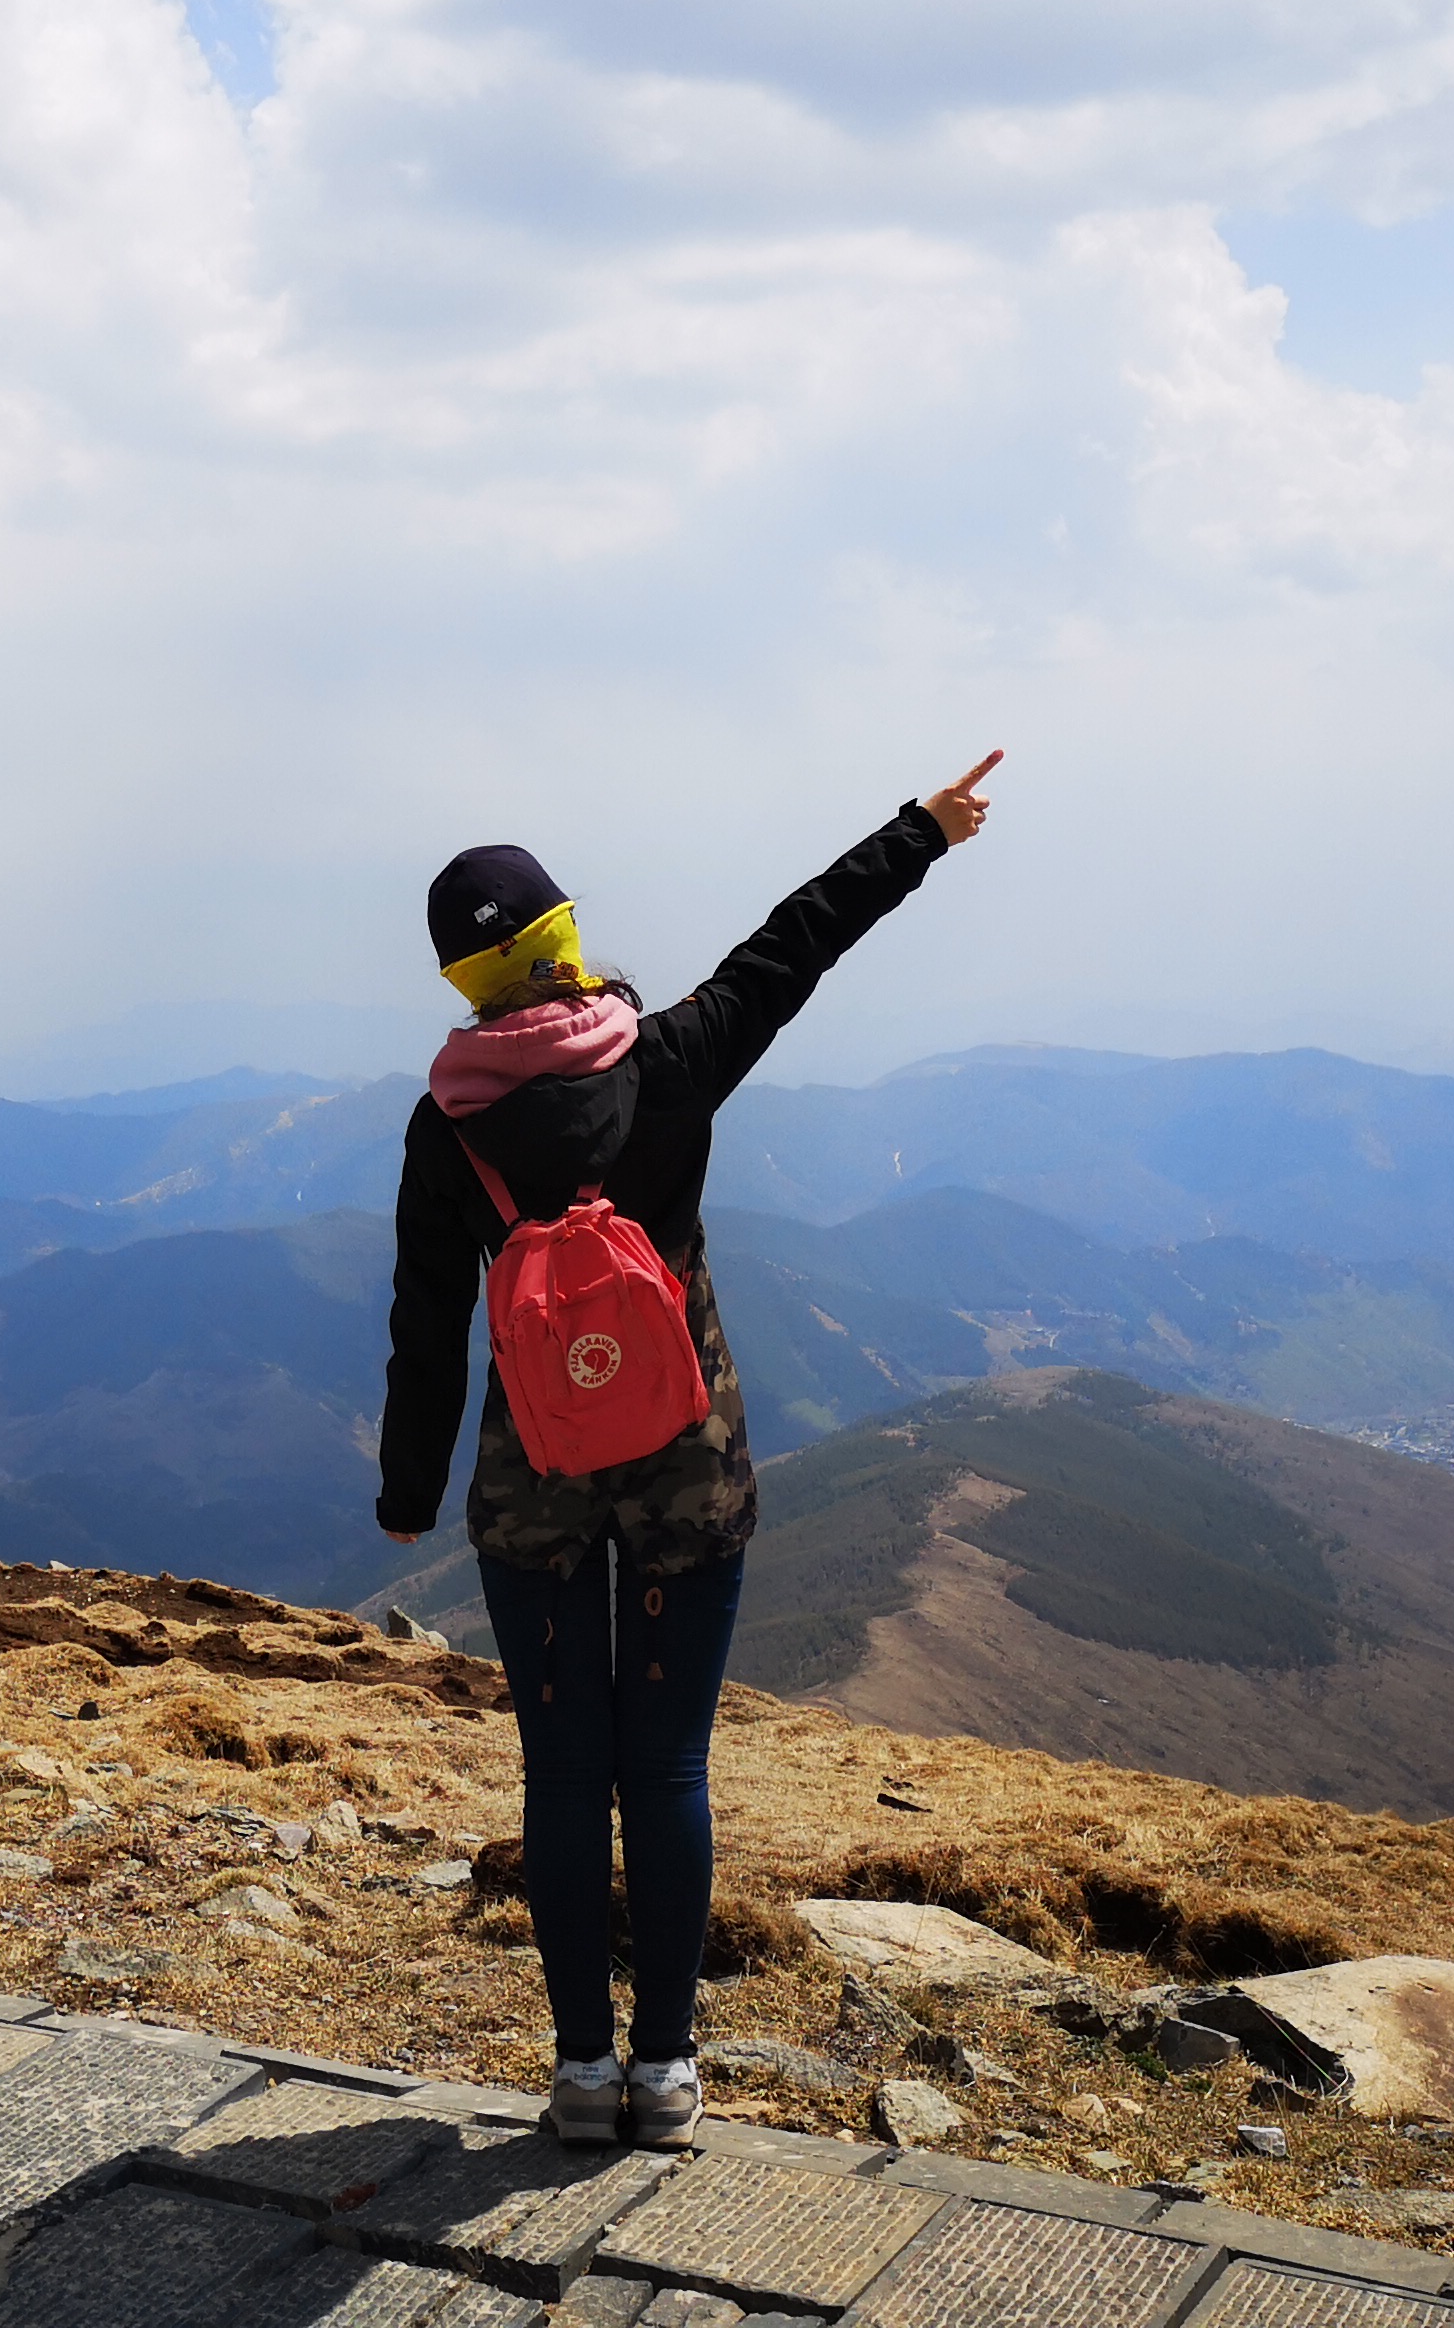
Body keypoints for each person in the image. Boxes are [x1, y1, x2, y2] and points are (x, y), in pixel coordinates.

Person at [376, 753, 1003, 2152]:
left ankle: (579, 2072)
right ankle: (665, 2072)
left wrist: (409, 1488)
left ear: (465, 981)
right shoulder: (669, 1058)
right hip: (684, 1456)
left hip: (535, 1475)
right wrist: (920, 831)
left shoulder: (448, 1123)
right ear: (564, 939)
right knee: (664, 1769)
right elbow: (796, 944)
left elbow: (427, 1319)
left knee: (563, 1773)